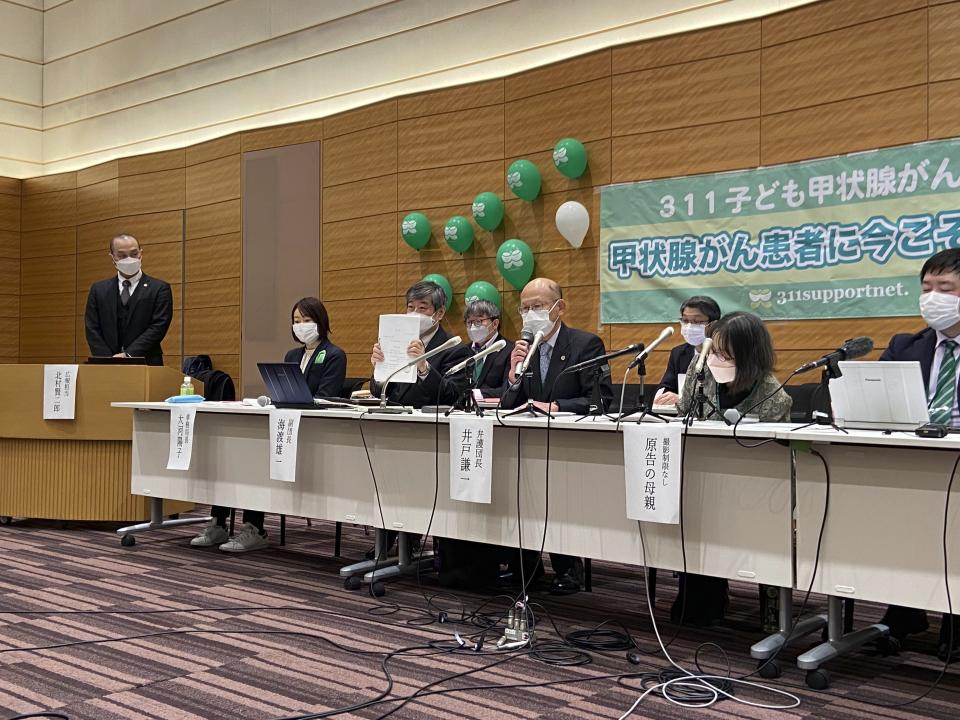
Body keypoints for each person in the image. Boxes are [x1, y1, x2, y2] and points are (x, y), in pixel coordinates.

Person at [191, 297, 346, 552]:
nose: (301, 325)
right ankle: (217, 522)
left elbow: (327, 395)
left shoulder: (334, 355)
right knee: (243, 455)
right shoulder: (292, 354)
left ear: (320, 322)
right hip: (285, 423)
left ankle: (254, 528)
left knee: (258, 461)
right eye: (296, 321)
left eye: (307, 320)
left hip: (312, 431)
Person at [675, 311, 791, 625]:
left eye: (726, 353)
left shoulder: (774, 396)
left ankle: (774, 618)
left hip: (757, 492)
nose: (716, 358)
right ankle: (703, 601)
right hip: (705, 481)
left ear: (750, 354)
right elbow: (684, 412)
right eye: (714, 350)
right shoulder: (700, 371)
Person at [501, 277, 614, 594]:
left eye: (537, 306)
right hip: (525, 443)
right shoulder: (523, 348)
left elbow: (601, 400)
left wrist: (557, 406)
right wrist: (513, 376)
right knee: (519, 496)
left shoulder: (585, 344)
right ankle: (526, 567)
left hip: (568, 444)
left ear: (559, 308)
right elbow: (509, 402)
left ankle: (568, 568)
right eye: (524, 308)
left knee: (559, 498)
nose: (530, 314)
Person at [877, 248, 960, 661]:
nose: (933, 297)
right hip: (912, 458)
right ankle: (903, 614)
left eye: (945, 288)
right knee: (898, 521)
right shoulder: (905, 345)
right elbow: (874, 402)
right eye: (926, 288)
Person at [370, 280, 472, 407]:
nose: (415, 313)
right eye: (411, 307)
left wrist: (424, 368)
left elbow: (452, 396)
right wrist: (380, 370)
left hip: (426, 423)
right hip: (393, 417)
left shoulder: (454, 349)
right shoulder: (397, 340)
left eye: (422, 308)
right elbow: (377, 392)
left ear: (439, 313)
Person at [84, 233, 172, 365]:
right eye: (122, 256)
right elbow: (92, 328)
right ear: (112, 257)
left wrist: (129, 354)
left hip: (146, 362)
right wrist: (109, 359)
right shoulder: (98, 290)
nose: (129, 259)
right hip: (106, 365)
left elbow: (158, 326)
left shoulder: (159, 288)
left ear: (141, 254)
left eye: (134, 254)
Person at [655, 295, 721, 405]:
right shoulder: (679, 353)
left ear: (713, 324)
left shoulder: (726, 354)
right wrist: (663, 397)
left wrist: (683, 399)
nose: (689, 326)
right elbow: (666, 386)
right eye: (685, 320)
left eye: (697, 321)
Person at [464, 299, 513, 397]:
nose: (473, 327)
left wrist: (475, 394)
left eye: (478, 321)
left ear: (495, 324)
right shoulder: (463, 351)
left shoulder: (510, 350)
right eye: (469, 322)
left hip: (494, 410)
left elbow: (508, 389)